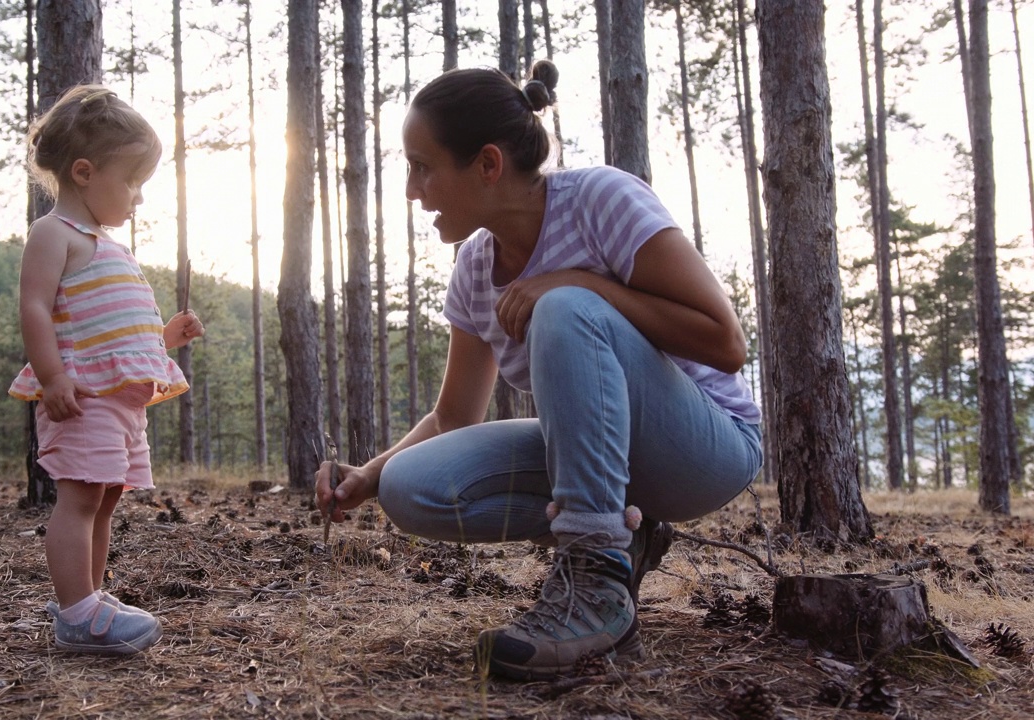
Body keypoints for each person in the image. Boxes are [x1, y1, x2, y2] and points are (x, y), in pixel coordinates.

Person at [315, 61, 762, 681]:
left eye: (422, 166)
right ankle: (622, 535)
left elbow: (726, 343)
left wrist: (580, 284)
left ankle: (595, 584)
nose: (412, 190)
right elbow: (453, 416)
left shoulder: (601, 200)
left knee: (566, 308)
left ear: (488, 164)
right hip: (605, 462)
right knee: (410, 489)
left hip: (707, 447)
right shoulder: (474, 269)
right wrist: (367, 475)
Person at [9, 85, 205, 655]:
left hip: (118, 403)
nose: (138, 198)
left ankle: (89, 595)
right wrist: (51, 377)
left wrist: (166, 337)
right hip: (82, 395)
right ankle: (76, 612)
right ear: (86, 172)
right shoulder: (54, 235)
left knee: (105, 498)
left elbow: (114, 331)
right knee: (79, 500)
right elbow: (35, 309)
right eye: (133, 182)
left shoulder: (108, 245)